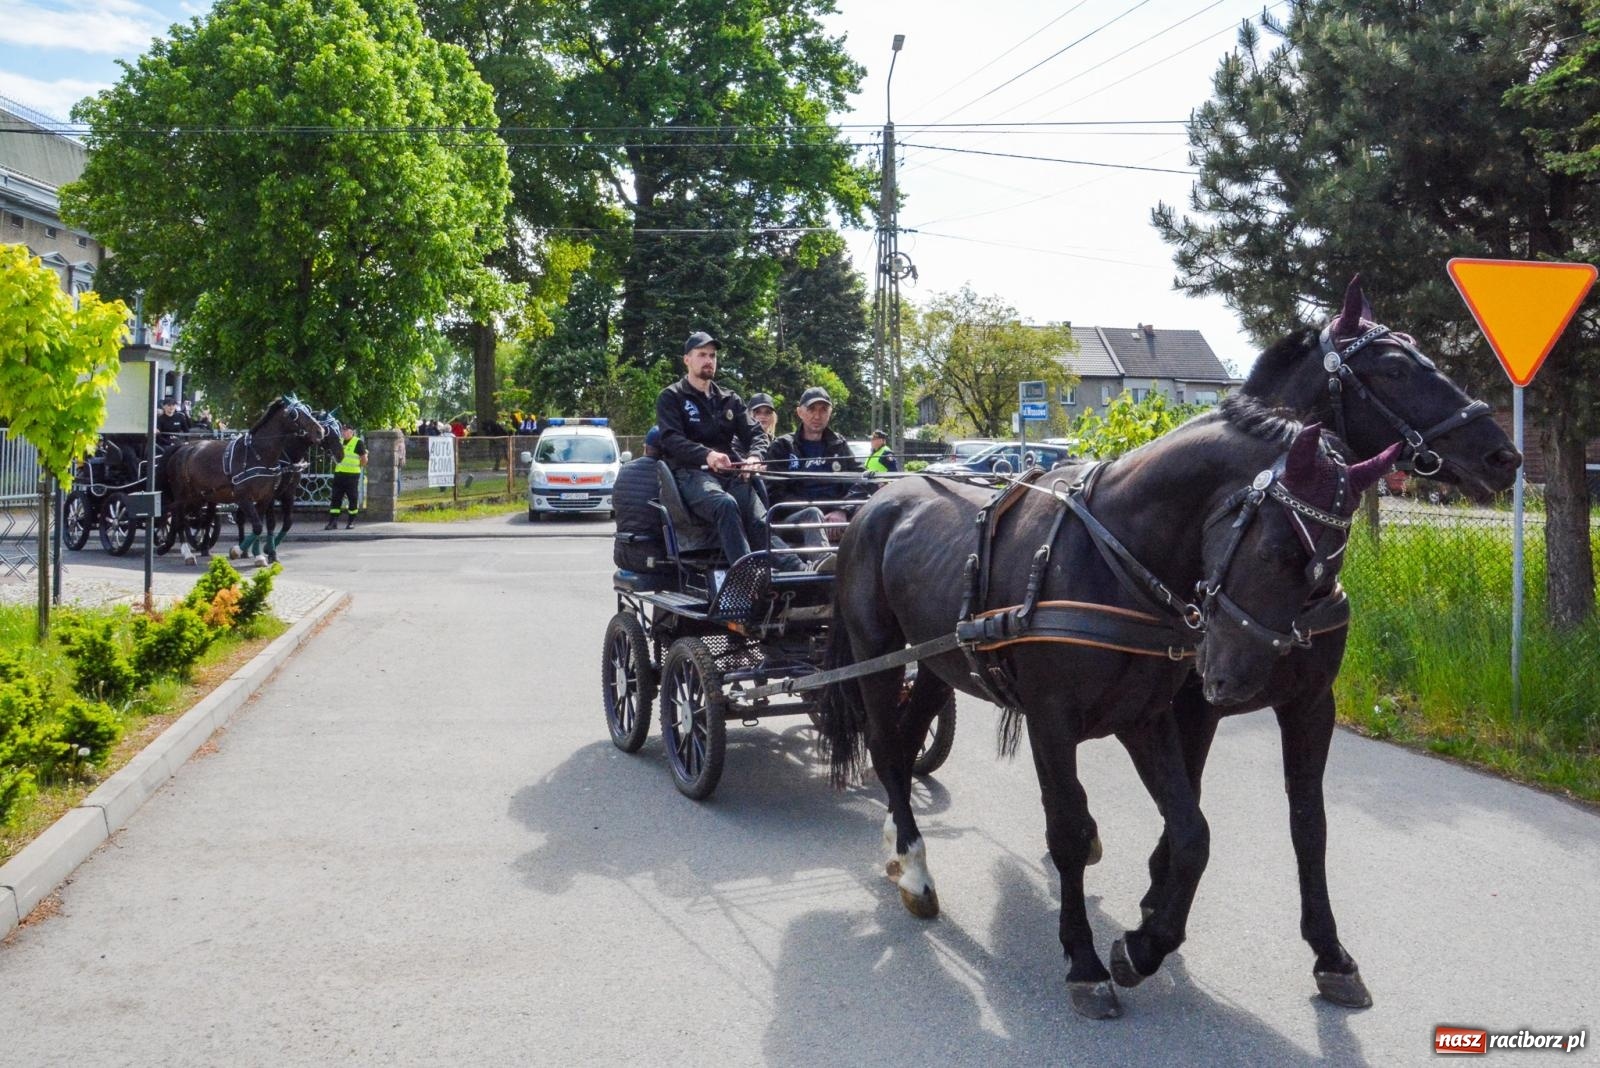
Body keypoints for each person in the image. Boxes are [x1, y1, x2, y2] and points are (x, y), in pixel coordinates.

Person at [655, 330, 801, 570]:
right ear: (687, 360)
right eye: (702, 355)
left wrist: (754, 457)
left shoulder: (729, 399)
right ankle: (746, 576)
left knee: (758, 518)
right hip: (691, 476)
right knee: (726, 504)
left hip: (729, 476)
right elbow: (671, 439)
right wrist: (707, 455)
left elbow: (756, 434)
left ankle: (799, 570)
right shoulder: (672, 397)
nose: (709, 360)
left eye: (712, 355)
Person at [761, 386, 861, 506]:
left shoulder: (839, 444)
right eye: (811, 409)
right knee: (813, 514)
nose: (817, 416)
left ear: (830, 413)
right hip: (797, 517)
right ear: (800, 412)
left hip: (839, 515)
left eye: (823, 409)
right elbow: (774, 491)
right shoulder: (782, 446)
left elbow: (861, 479)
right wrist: (808, 508)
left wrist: (843, 509)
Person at [612, 426, 668, 573]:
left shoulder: (624, 470)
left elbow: (616, 506)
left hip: (623, 553)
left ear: (645, 447)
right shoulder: (667, 475)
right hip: (657, 558)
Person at [325, 424, 367, 529]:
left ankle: (351, 522)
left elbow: (364, 459)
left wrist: (358, 467)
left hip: (352, 476)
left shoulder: (358, 442)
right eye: (342, 431)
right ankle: (333, 522)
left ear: (351, 431)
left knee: (352, 498)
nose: (343, 433)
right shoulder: (339, 441)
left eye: (346, 431)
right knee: (335, 498)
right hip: (339, 474)